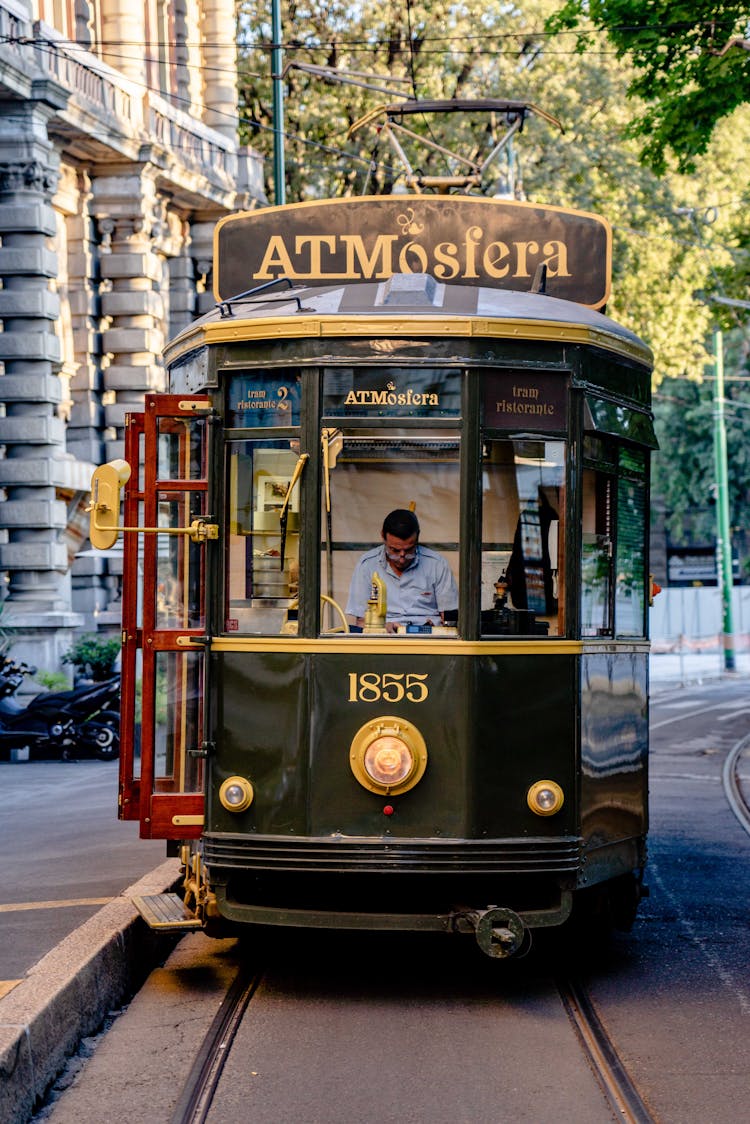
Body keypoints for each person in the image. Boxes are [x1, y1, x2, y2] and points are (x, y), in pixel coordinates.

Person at [346, 509, 458, 631]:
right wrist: (382, 628)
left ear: (417, 538)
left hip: (427, 639)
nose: (402, 558)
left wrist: (437, 630)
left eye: (409, 550)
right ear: (383, 536)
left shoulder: (437, 564)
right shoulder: (367, 565)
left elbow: (450, 620)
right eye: (394, 550)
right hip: (383, 638)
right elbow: (361, 622)